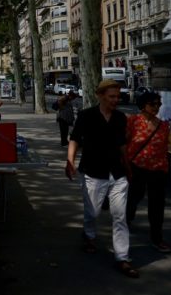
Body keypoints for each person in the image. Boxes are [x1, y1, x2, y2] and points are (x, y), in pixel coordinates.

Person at [65, 79, 138, 278]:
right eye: (112, 96)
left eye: (118, 96)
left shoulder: (121, 118)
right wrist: (70, 160)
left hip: (117, 173)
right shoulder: (86, 115)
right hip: (93, 172)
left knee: (120, 216)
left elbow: (122, 144)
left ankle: (122, 258)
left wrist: (128, 166)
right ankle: (89, 235)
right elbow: (74, 139)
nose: (116, 100)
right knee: (93, 211)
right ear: (100, 95)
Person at [126, 91, 171, 253]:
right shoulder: (133, 121)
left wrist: (164, 167)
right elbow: (124, 143)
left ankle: (157, 237)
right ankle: (126, 219)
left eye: (158, 104)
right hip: (137, 168)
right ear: (143, 105)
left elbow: (164, 148)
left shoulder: (164, 126)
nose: (156, 107)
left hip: (158, 170)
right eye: (153, 104)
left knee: (157, 205)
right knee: (133, 197)